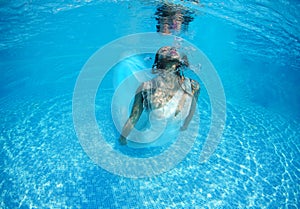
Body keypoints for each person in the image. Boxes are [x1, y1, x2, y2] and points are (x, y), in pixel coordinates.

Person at [119, 46, 200, 147]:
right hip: (149, 138)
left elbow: (192, 108)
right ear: (159, 61)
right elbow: (134, 116)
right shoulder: (146, 87)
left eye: (173, 49)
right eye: (164, 50)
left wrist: (185, 125)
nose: (171, 50)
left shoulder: (193, 86)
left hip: (173, 137)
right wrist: (122, 138)